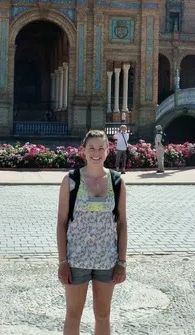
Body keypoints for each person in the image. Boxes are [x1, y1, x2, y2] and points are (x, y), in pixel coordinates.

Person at [57, 130, 127, 335]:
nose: (96, 153)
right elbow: (61, 223)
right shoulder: (71, 180)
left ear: (107, 151)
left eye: (100, 148)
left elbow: (122, 223)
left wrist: (122, 261)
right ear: (84, 151)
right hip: (76, 259)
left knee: (103, 314)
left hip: (107, 260)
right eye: (91, 148)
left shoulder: (116, 181)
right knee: (73, 314)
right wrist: (63, 261)